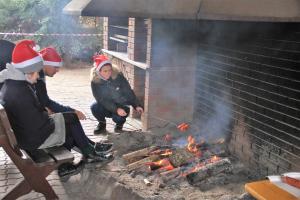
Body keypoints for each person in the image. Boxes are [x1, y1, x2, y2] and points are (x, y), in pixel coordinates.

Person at [0, 40, 113, 168]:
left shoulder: (12, 84)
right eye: (37, 72)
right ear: (28, 71)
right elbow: (38, 124)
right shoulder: (21, 91)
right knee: (71, 119)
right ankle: (87, 155)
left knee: (68, 123)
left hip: (24, 135)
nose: (38, 77)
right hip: (32, 139)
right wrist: (51, 117)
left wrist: (51, 116)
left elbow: (32, 115)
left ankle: (82, 156)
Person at [37, 47, 113, 153]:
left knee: (70, 118)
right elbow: (46, 102)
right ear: (45, 64)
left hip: (38, 120)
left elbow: (44, 101)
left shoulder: (38, 74)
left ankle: (91, 146)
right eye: (55, 67)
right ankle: (89, 150)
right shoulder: (37, 77)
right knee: (71, 118)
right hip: (37, 128)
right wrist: (72, 110)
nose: (58, 70)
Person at [90, 54, 144, 134]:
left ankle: (119, 126)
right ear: (99, 71)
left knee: (119, 118)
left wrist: (136, 105)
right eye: (105, 71)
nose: (108, 73)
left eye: (110, 70)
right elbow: (101, 99)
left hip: (121, 104)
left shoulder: (118, 76)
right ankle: (102, 124)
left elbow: (128, 91)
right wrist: (116, 109)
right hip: (106, 105)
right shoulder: (95, 81)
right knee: (94, 107)